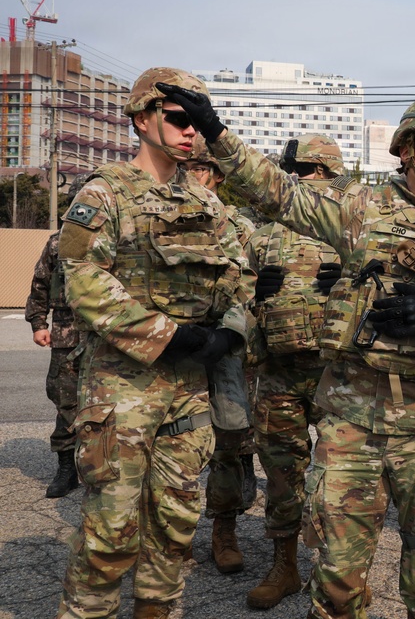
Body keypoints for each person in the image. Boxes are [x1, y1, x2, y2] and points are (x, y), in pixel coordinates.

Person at [163, 86, 415, 619]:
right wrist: (216, 133)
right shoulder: (359, 210)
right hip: (352, 425)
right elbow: (279, 193)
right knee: (335, 583)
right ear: (406, 150)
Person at [54, 68, 252, 619]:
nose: (191, 132)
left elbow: (242, 276)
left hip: (188, 392)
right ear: (142, 120)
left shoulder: (209, 204)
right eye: (179, 119)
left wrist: (229, 331)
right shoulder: (105, 193)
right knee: (110, 533)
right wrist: (170, 335)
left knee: (175, 527)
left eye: (198, 124)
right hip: (122, 390)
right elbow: (84, 280)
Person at [243, 134, 344, 609]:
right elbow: (233, 304)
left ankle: (338, 572)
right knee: (282, 474)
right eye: (299, 173)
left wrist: (351, 281)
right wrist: (254, 296)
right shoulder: (263, 234)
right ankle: (285, 565)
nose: (305, 181)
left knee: (339, 479)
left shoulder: (353, 231)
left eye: (311, 172)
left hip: (336, 374)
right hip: (279, 373)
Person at [178, 135, 258, 576]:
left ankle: (223, 530)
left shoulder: (238, 227)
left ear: (217, 176)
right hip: (171, 347)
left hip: (224, 349)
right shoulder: (161, 216)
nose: (193, 176)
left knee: (228, 443)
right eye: (187, 168)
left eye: (201, 169)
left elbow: (249, 286)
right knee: (173, 443)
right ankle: (174, 535)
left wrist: (229, 334)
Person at [25, 178, 85, 498]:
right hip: (66, 334)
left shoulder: (119, 239)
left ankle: (106, 468)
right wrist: (38, 323)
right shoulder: (57, 242)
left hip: (109, 335)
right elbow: (40, 284)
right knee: (65, 401)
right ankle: (67, 468)